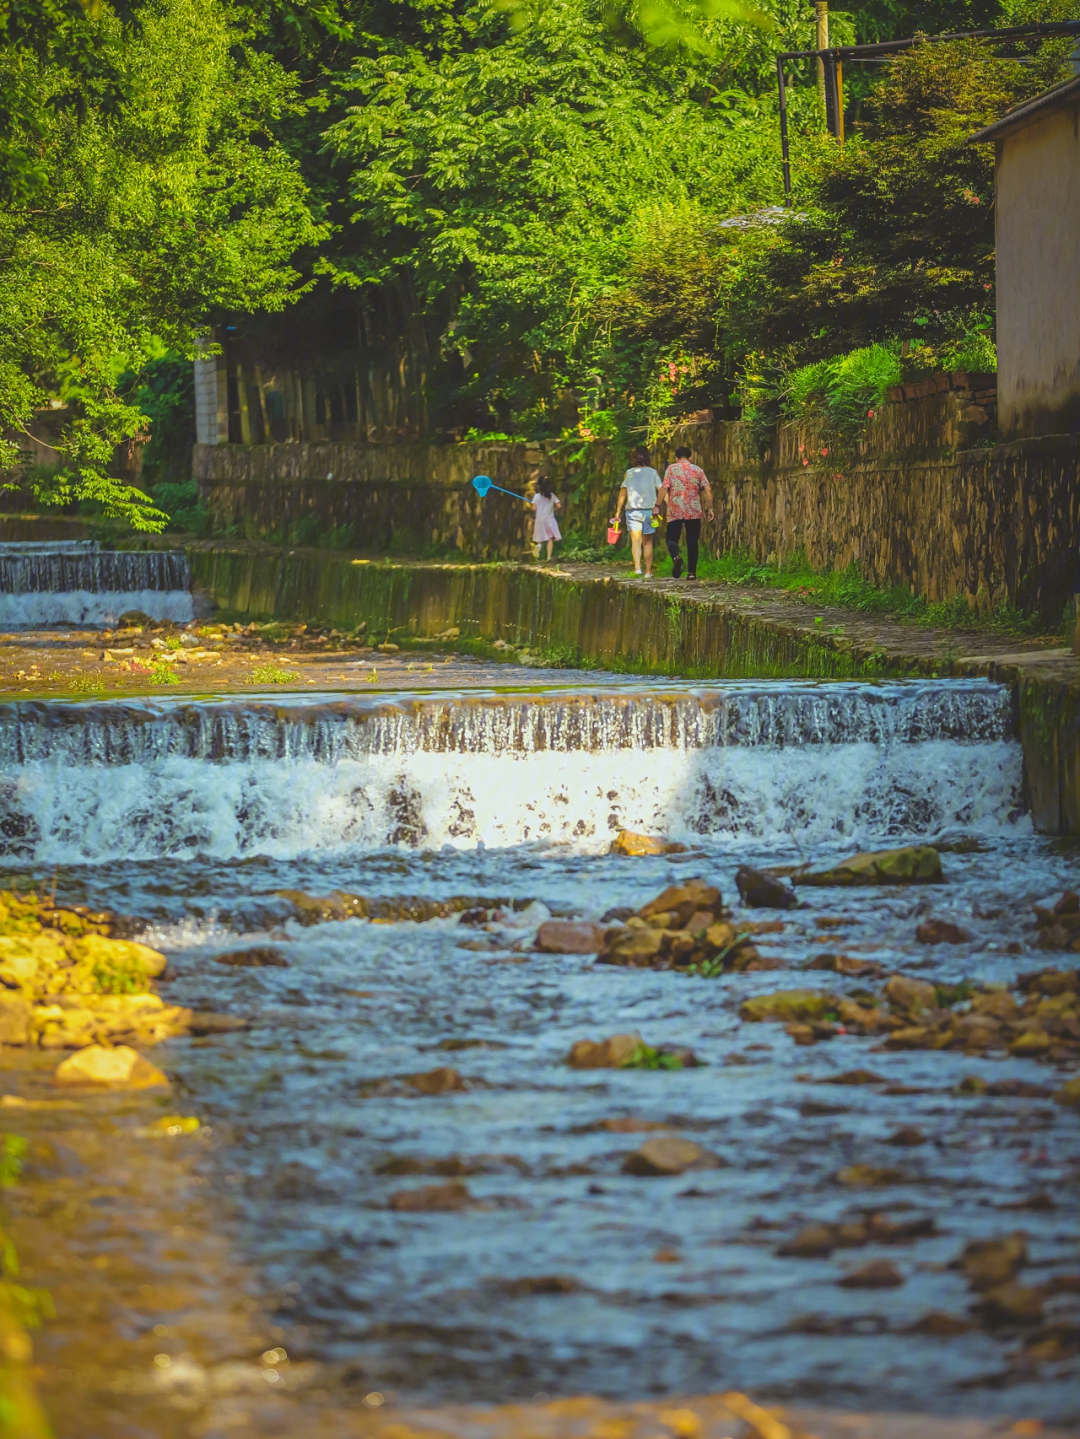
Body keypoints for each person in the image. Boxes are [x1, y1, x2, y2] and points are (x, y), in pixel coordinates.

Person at [660, 445, 714, 580]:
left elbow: (664, 488)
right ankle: (691, 573)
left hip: (675, 510)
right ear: (691, 457)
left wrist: (656, 505)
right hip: (694, 510)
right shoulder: (698, 470)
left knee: (671, 539)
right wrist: (711, 508)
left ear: (676, 458)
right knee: (692, 541)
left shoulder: (671, 469)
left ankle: (676, 557)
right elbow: (708, 489)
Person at [614, 445, 662, 578]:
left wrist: (618, 511)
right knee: (648, 542)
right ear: (647, 457)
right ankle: (648, 572)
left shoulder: (629, 473)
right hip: (650, 512)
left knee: (636, 541)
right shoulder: (653, 472)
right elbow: (661, 490)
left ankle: (637, 569)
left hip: (633, 511)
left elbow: (622, 493)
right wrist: (671, 506)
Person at [528, 475, 562, 561]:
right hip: (550, 519)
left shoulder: (537, 496)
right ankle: (549, 557)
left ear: (539, 486)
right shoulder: (552, 496)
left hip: (540, 519)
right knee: (550, 538)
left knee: (540, 537)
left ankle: (539, 545)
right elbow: (559, 505)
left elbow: (534, 508)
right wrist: (552, 509)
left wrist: (533, 505)